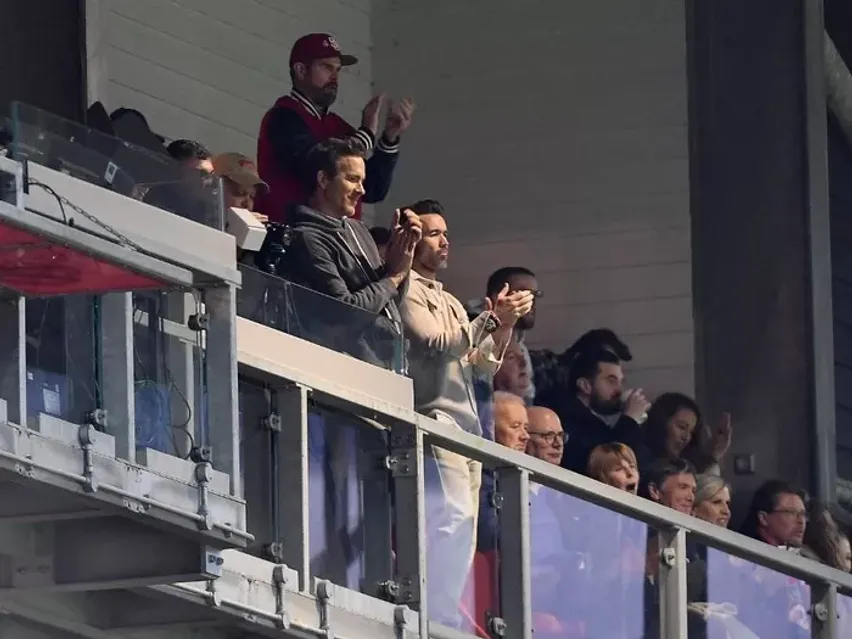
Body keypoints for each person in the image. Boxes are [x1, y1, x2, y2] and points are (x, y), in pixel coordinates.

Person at [399, 201, 531, 626]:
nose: (444, 242)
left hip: (468, 425)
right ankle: (433, 614)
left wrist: (503, 326)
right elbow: (436, 343)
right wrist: (490, 318)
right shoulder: (405, 289)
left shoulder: (452, 302)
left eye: (446, 234)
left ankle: (443, 615)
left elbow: (481, 364)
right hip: (434, 417)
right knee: (451, 518)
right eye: (434, 234)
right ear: (413, 240)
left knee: (466, 526)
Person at [277, 138, 421, 366]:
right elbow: (344, 312)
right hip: (342, 368)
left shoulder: (359, 229)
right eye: (353, 179)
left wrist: (401, 257)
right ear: (323, 180)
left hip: (385, 367)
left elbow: (389, 302)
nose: (361, 190)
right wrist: (394, 277)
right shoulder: (306, 237)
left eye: (362, 181)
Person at [256, 32, 414, 222]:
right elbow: (317, 165)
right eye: (326, 67)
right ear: (301, 70)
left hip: (335, 236)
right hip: (291, 234)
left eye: (338, 70)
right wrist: (366, 134)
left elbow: (373, 189)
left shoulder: (337, 126)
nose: (335, 77)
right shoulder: (282, 117)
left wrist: (389, 137)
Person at [555, 347, 650, 474]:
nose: (619, 390)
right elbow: (608, 465)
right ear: (585, 385)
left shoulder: (595, 423)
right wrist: (630, 420)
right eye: (611, 381)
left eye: (621, 382)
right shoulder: (564, 419)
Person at [642, 393, 732, 475]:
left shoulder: (686, 467)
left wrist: (713, 455)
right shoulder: (640, 462)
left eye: (692, 432)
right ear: (660, 423)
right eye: (682, 427)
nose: (686, 437)